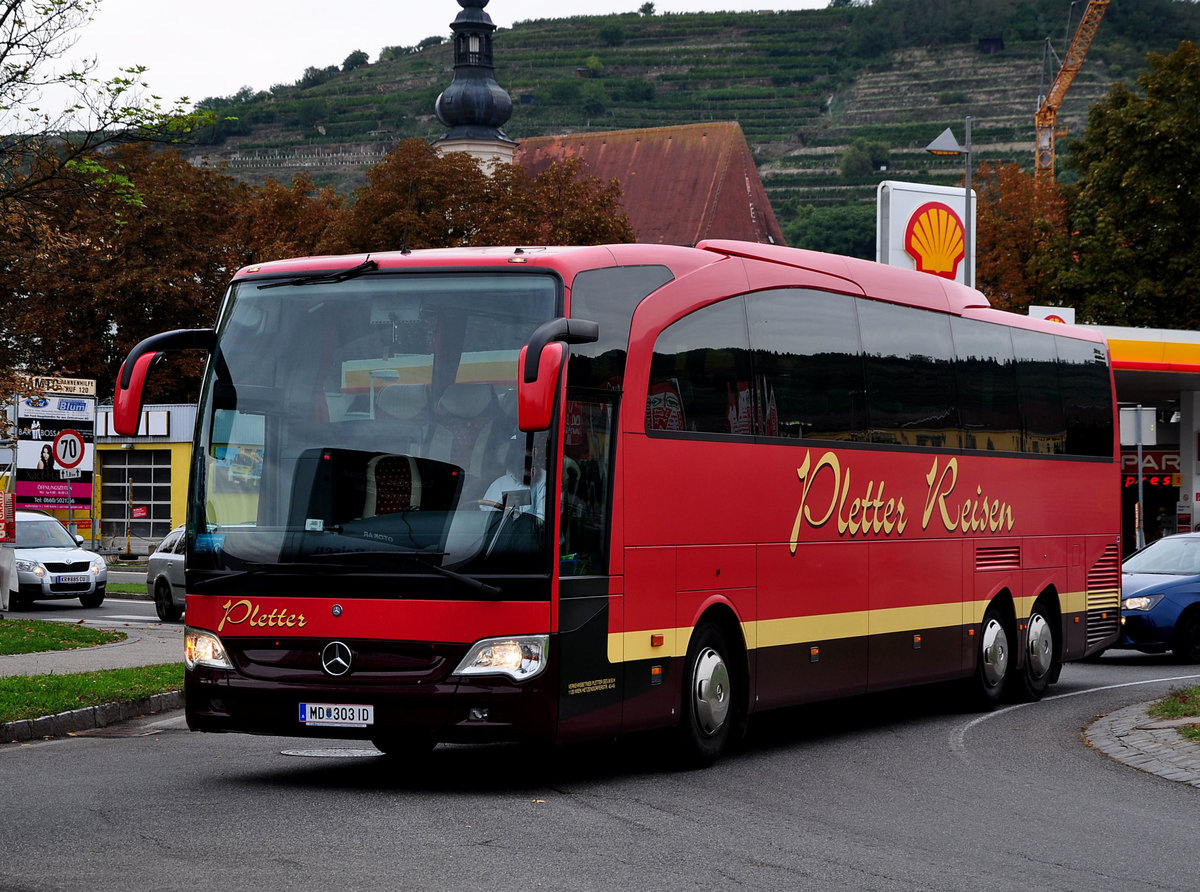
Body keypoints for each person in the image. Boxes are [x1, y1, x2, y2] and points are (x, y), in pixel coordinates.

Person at [480, 436, 545, 520]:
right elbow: (486, 519)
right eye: (515, 455)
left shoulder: (545, 480)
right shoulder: (499, 484)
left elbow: (542, 521)